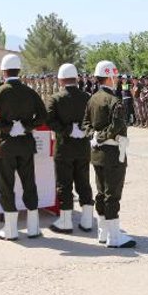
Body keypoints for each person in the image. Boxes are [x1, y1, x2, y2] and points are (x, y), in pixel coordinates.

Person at [0, 54, 47, 240]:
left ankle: (10, 230)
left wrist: (7, 128)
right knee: (29, 183)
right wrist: (25, 127)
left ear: (3, 71)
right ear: (19, 70)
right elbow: (43, 116)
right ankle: (33, 228)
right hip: (26, 144)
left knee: (6, 185)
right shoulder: (30, 92)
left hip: (6, 145)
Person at [82, 60, 136, 248]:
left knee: (101, 192)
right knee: (112, 194)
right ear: (110, 76)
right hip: (113, 153)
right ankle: (114, 238)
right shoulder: (115, 101)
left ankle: (103, 233)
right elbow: (118, 125)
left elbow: (85, 124)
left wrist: (94, 136)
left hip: (97, 153)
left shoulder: (92, 99)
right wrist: (103, 136)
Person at [45, 63, 93, 234]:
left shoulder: (55, 98)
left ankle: (65, 222)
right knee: (84, 182)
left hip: (64, 148)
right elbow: (94, 120)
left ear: (60, 80)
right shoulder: (87, 97)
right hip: (83, 148)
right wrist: (83, 131)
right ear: (76, 78)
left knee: (64, 184)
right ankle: (87, 221)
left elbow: (49, 120)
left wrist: (68, 130)